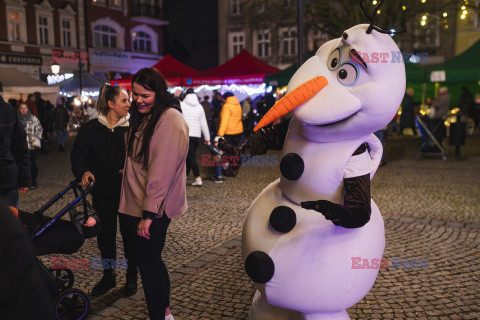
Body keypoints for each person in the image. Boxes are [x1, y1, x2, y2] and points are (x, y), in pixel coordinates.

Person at [119, 68, 189, 320]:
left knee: (147, 265)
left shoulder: (169, 119)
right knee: (152, 261)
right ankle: (165, 313)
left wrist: (148, 215)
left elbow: (161, 172)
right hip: (139, 202)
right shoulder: (149, 115)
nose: (138, 100)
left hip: (152, 208)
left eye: (144, 95)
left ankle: (158, 316)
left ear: (158, 92)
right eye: (134, 94)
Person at [71, 84, 136, 297]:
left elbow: (146, 155)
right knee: (105, 238)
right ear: (110, 104)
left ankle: (131, 278)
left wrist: (132, 166)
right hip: (103, 193)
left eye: (128, 100)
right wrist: (83, 172)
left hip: (129, 193)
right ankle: (108, 276)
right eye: (124, 101)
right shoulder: (91, 128)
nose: (129, 104)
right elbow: (78, 154)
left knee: (130, 237)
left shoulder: (133, 127)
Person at [0, 94, 31, 209]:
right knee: (10, 223)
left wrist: (25, 179)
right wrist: (25, 179)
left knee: (10, 222)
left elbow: (20, 147)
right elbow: (20, 147)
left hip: (6, 178)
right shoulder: (10, 111)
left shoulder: (9, 111)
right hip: (7, 177)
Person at [180, 88, 211, 186]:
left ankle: (198, 177)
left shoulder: (182, 105)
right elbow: (204, 123)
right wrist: (207, 138)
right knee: (190, 156)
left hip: (186, 134)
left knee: (191, 157)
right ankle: (184, 177)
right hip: (197, 136)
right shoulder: (199, 107)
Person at [18, 103, 43, 190]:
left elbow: (40, 129)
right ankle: (22, 182)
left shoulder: (33, 118)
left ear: (28, 109)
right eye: (22, 108)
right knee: (21, 164)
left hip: (30, 145)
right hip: (19, 146)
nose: (24, 110)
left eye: (25, 108)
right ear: (19, 109)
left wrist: (35, 138)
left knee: (32, 164)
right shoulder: (17, 119)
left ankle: (33, 181)